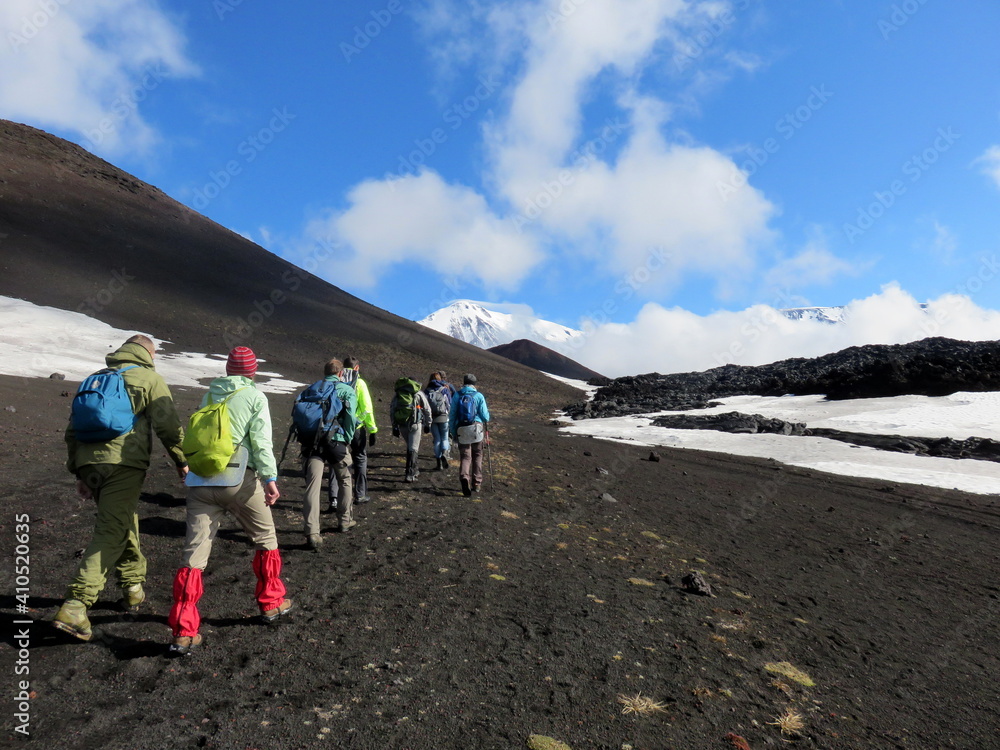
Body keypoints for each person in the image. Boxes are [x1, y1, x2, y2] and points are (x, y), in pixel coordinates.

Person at [52, 334, 188, 641]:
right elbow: (168, 425)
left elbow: (72, 430)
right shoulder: (148, 378)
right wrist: (182, 460)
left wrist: (79, 472)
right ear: (148, 354)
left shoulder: (95, 378)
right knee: (111, 529)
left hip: (91, 464)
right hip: (122, 464)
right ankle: (77, 604)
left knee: (123, 519)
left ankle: (132, 588)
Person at [167, 346, 291, 655]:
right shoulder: (254, 397)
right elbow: (261, 441)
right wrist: (270, 479)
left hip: (200, 480)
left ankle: (184, 629)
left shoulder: (210, 395)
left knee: (193, 556)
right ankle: (271, 602)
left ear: (227, 369)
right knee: (266, 538)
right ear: (252, 371)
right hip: (239, 479)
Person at [302, 359, 358, 546]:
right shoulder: (346, 390)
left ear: (325, 372)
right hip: (336, 441)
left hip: (312, 443)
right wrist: (348, 437)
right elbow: (350, 417)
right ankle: (345, 520)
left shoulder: (311, 388)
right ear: (340, 373)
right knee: (345, 479)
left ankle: (312, 531)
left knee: (313, 485)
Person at [341, 356, 377, 506]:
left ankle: (335, 499)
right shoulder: (360, 383)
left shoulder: (337, 380)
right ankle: (360, 494)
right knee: (360, 458)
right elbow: (367, 408)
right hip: (357, 428)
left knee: (337, 461)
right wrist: (372, 429)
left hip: (338, 427)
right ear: (357, 368)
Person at [449, 373, 491, 497]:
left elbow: (452, 415)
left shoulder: (457, 395)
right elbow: (485, 416)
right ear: (474, 383)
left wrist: (453, 431)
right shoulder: (478, 395)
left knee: (465, 457)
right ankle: (477, 483)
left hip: (462, 429)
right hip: (476, 429)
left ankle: (464, 477)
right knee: (477, 455)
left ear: (464, 382)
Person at [389, 376, 432, 482]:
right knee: (413, 448)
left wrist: (394, 426)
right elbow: (427, 409)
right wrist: (428, 424)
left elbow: (392, 409)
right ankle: (410, 474)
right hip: (415, 424)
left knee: (410, 447)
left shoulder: (398, 393)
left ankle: (414, 470)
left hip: (402, 424)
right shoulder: (418, 393)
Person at [423, 372, 457, 470]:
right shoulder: (444, 389)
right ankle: (445, 454)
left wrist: (426, 420)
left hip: (433, 418)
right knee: (445, 438)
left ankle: (439, 463)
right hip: (444, 417)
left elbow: (425, 406)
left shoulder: (427, 390)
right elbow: (449, 404)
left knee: (437, 439)